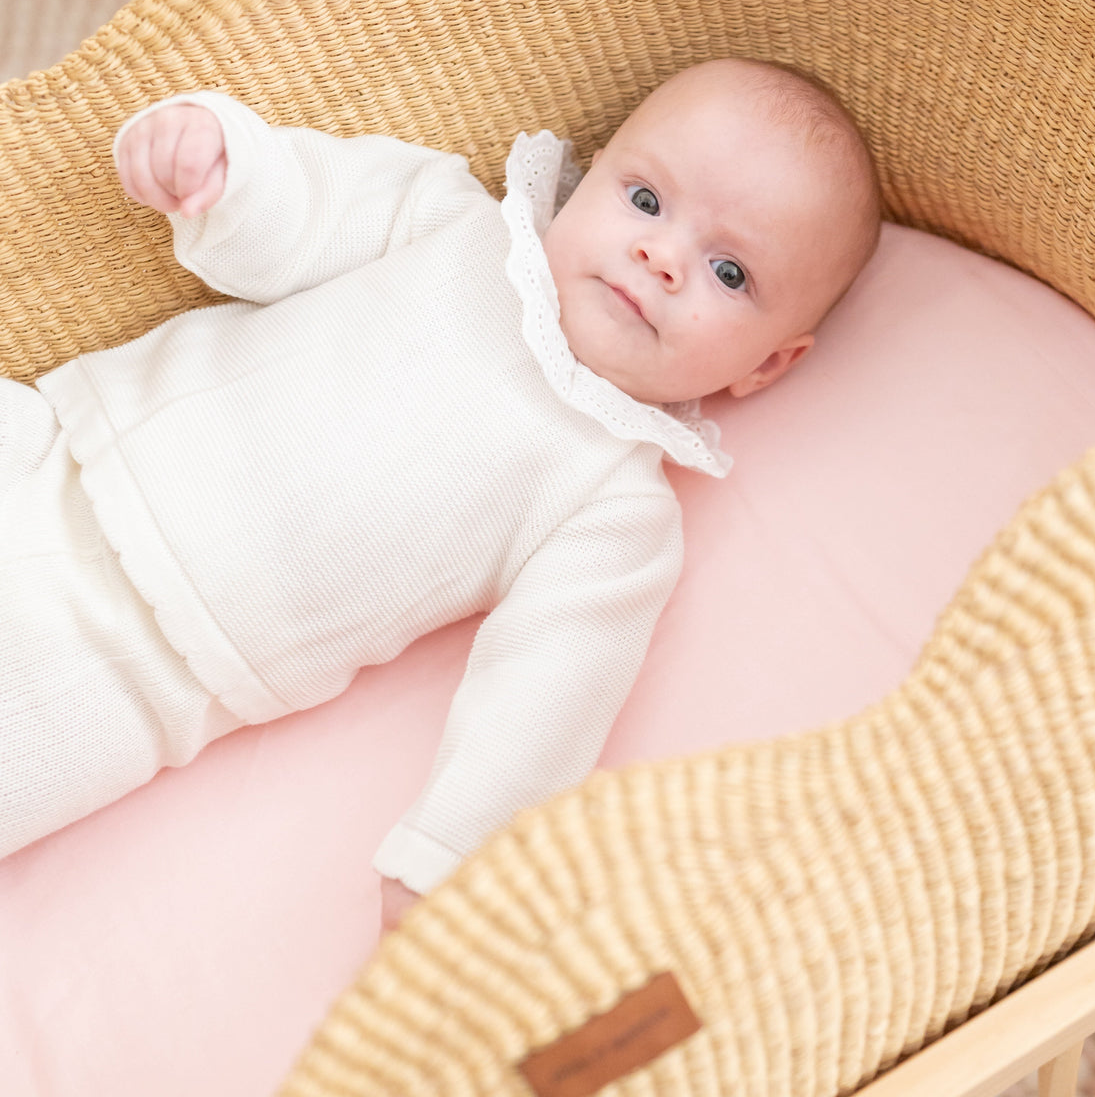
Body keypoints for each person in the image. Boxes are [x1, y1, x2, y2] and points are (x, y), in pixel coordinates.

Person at [0, 57, 880, 928]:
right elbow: (310, 206)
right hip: (61, 443)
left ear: (768, 365)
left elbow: (547, 696)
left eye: (730, 274)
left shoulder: (614, 510)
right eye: (646, 201)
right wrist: (220, 166)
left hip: (141, 670)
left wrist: (451, 865)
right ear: (591, 175)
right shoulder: (454, 223)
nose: (661, 257)